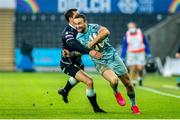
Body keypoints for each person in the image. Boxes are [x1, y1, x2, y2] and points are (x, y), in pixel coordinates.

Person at [74, 14, 140, 114]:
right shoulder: (78, 38)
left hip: (113, 57)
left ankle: (133, 105)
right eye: (76, 24)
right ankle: (116, 92)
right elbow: (79, 52)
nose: (77, 26)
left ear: (85, 22)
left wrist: (90, 44)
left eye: (79, 23)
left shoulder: (94, 27)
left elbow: (106, 32)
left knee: (128, 84)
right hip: (100, 62)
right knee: (114, 81)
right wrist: (73, 53)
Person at [58, 9, 105, 113]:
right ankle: (96, 109)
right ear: (70, 19)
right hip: (68, 64)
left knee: (78, 78)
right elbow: (73, 44)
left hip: (78, 62)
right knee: (89, 81)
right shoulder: (68, 32)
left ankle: (65, 91)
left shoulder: (80, 28)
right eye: (76, 15)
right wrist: (89, 51)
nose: (79, 16)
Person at [121, 22, 151, 86]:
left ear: (135, 27)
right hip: (131, 53)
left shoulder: (140, 33)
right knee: (132, 68)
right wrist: (123, 56)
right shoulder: (127, 35)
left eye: (132, 27)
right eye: (129, 27)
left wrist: (148, 52)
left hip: (140, 52)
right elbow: (124, 46)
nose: (131, 28)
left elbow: (145, 43)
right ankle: (133, 81)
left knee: (140, 68)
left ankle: (140, 78)